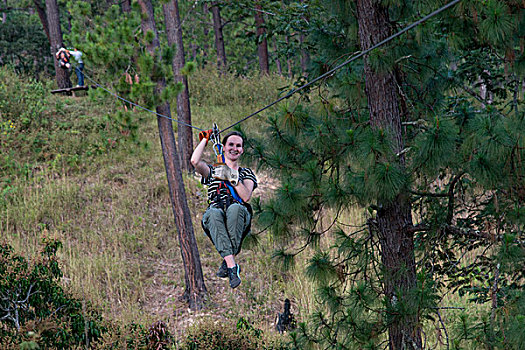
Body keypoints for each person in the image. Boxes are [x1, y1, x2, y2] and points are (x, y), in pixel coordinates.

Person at [190, 130, 257, 289]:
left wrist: (231, 177)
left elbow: (246, 196)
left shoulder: (246, 173)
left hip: (238, 210)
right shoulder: (213, 171)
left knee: (234, 209)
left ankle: (227, 262)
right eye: (231, 145)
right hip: (216, 208)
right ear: (224, 148)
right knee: (213, 214)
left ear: (242, 150)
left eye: (238, 146)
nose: (235, 148)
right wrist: (205, 140)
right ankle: (232, 266)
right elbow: (194, 161)